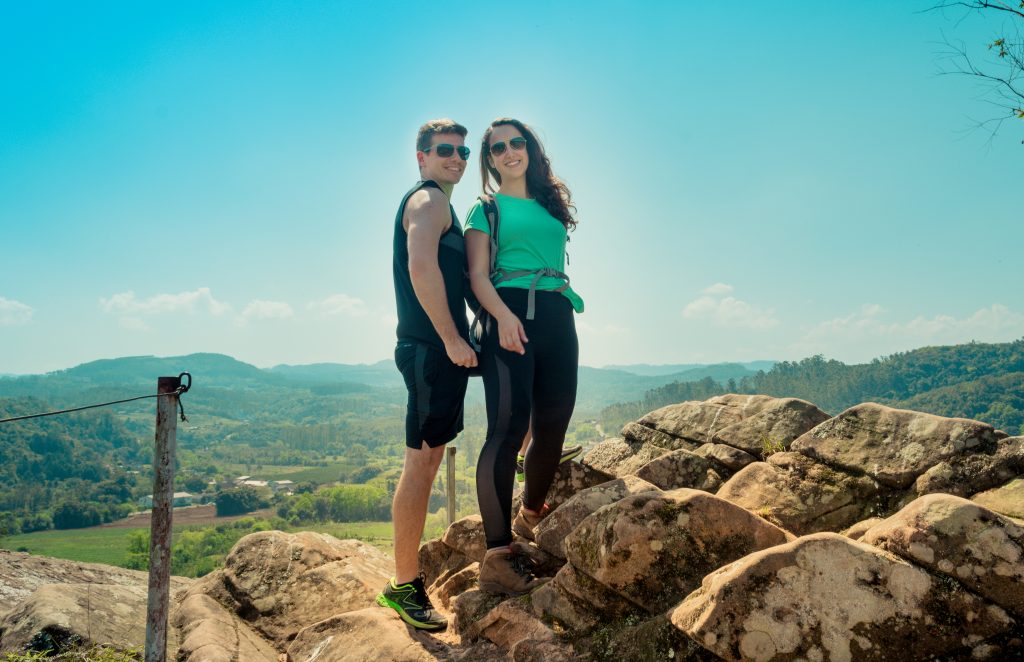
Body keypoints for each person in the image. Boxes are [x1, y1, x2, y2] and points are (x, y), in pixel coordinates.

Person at [465, 118, 584, 596]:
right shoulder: (485, 208)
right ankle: (497, 554)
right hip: (508, 313)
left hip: (557, 311)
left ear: (530, 149)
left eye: (517, 142)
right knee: (508, 428)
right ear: (490, 160)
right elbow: (477, 275)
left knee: (555, 419)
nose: (510, 151)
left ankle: (531, 514)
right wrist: (504, 317)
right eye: (499, 147)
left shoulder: (549, 203)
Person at [376, 118, 477, 630]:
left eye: (462, 150)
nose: (456, 157)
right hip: (431, 352)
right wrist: (452, 338)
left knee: (429, 457)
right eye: (445, 150)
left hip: (436, 351)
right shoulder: (428, 201)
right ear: (422, 156)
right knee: (421, 462)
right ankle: (404, 586)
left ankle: (403, 580)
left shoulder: (445, 204)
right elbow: (421, 267)